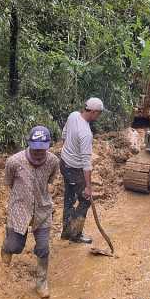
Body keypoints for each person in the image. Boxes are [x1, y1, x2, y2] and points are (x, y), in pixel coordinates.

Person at [1, 126, 59, 299]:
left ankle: (41, 282)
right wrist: (22, 197)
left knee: (43, 248)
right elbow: (9, 182)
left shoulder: (53, 161)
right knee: (15, 247)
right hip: (19, 209)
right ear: (29, 144)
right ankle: (6, 246)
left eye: (42, 149)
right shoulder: (14, 161)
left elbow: (50, 181)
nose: (39, 153)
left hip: (42, 210)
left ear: (48, 146)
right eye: (35, 148)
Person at [60, 97, 105, 244]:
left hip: (64, 163)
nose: (98, 116)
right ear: (92, 112)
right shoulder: (86, 133)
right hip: (74, 169)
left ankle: (66, 231)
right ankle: (75, 234)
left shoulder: (73, 115)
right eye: (98, 113)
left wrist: (69, 150)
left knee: (69, 196)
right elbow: (86, 164)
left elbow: (64, 135)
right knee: (85, 200)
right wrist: (88, 187)